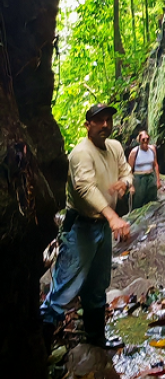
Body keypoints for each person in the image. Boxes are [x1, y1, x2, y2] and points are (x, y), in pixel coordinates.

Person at [41, 104, 133, 351]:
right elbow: (84, 188)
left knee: (97, 285)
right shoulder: (81, 153)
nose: (105, 125)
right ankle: (41, 348)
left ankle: (96, 339)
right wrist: (113, 216)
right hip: (81, 227)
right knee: (63, 289)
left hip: (102, 227)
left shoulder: (114, 147)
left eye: (108, 120)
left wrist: (124, 182)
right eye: (99, 120)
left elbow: (126, 170)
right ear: (88, 125)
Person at [128, 130, 161, 209]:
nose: (145, 141)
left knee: (153, 200)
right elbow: (129, 170)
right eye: (143, 139)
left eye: (147, 139)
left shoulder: (152, 149)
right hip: (139, 178)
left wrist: (158, 180)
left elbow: (155, 165)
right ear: (139, 140)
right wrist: (131, 186)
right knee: (138, 201)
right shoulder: (134, 152)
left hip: (150, 176)